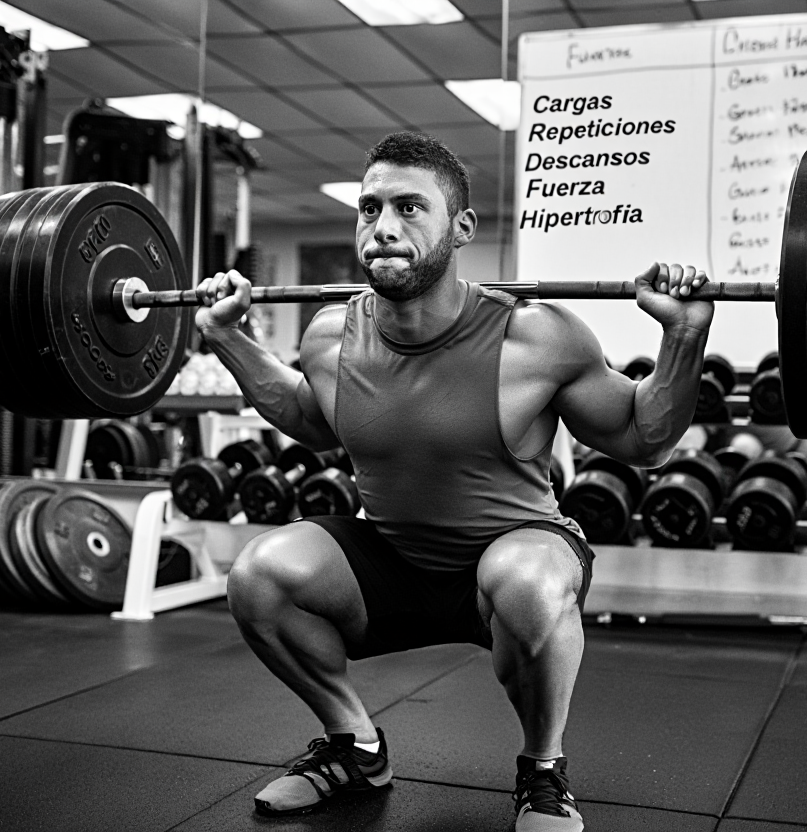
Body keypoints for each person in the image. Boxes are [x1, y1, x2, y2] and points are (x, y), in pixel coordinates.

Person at [194, 131, 713, 831]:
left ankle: (543, 769)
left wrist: (683, 338)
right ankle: (355, 747)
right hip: (393, 563)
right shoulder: (330, 335)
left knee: (526, 583)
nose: (383, 227)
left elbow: (643, 438)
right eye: (370, 208)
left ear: (462, 227)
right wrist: (229, 338)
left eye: (409, 207)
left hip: (515, 553)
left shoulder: (535, 337)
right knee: (259, 575)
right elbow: (310, 420)